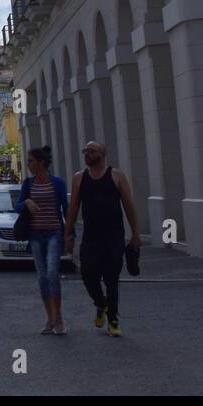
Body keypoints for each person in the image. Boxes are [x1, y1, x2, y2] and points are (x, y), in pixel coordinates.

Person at [65, 141, 139, 337]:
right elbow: (73, 209)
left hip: (114, 236)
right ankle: (100, 303)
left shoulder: (117, 176)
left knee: (112, 278)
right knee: (87, 272)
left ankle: (113, 320)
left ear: (103, 154)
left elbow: (129, 206)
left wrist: (136, 234)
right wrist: (68, 234)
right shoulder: (79, 178)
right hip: (91, 236)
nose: (87, 154)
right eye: (85, 152)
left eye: (92, 151)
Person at [16, 146, 68, 335]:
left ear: (41, 163)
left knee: (52, 272)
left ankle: (58, 317)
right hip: (35, 235)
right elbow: (17, 206)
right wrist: (27, 203)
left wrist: (69, 235)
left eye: (30, 160)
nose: (28, 164)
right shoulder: (28, 184)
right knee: (42, 276)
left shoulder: (57, 183)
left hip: (54, 232)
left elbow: (66, 208)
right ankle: (50, 318)